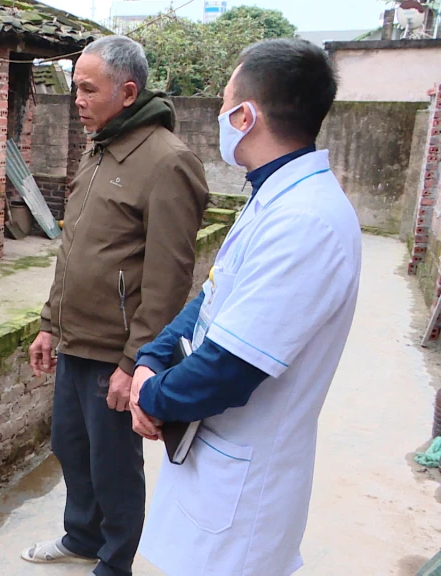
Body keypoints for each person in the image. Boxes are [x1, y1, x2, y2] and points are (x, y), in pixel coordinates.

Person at [128, 38, 362, 576]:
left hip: (245, 488)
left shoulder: (306, 221)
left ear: (246, 115)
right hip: (213, 465)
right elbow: (214, 293)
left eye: (223, 103)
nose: (218, 116)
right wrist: (151, 355)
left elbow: (231, 368)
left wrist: (152, 396)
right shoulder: (273, 196)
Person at [21, 35, 209, 576]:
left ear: (127, 92)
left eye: (87, 88)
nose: (75, 99)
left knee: (113, 466)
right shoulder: (99, 148)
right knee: (70, 447)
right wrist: (49, 324)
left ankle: (116, 559)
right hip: (75, 339)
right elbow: (74, 248)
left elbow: (170, 279)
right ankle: (81, 536)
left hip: (116, 351)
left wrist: (138, 361)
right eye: (74, 86)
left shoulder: (168, 162)